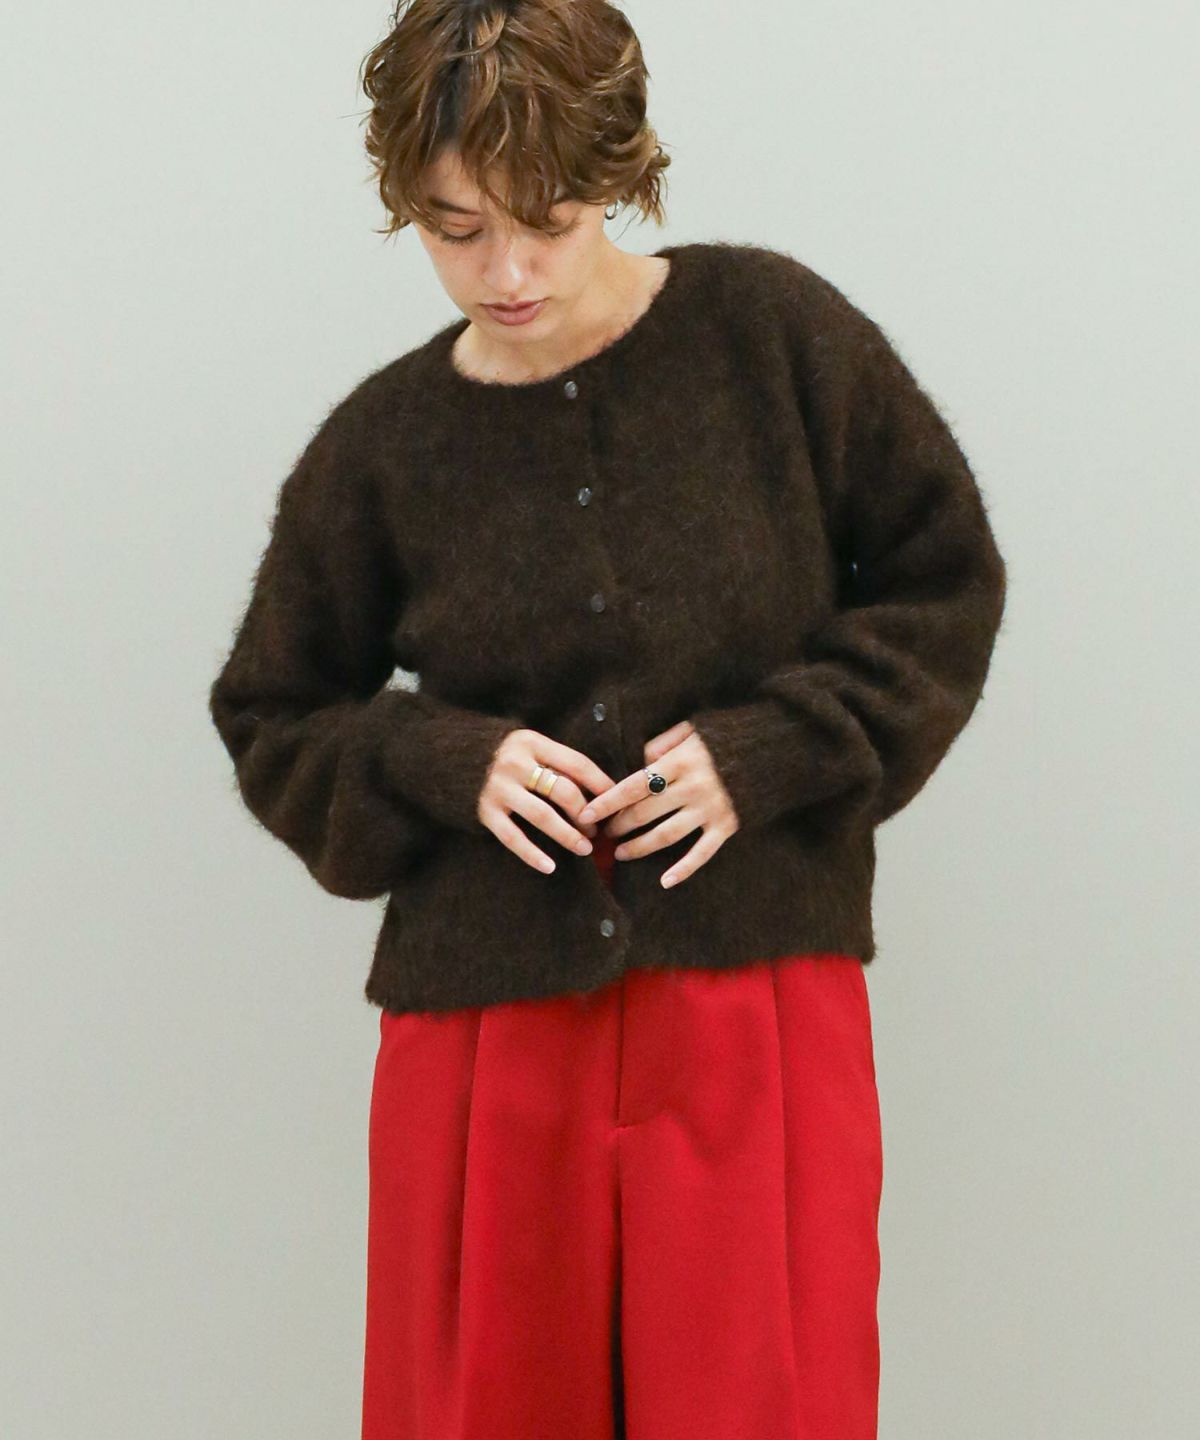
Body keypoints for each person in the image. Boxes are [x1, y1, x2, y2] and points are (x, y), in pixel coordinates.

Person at [208, 3, 1008, 1437]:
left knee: (766, 1404)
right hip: (484, 1038)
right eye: (456, 230)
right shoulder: (383, 445)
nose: (506, 273)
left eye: (549, 219)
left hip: (756, 1006)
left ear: (618, 175)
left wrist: (772, 750)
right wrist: (442, 759)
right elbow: (273, 710)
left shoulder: (773, 336)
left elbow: (945, 580)